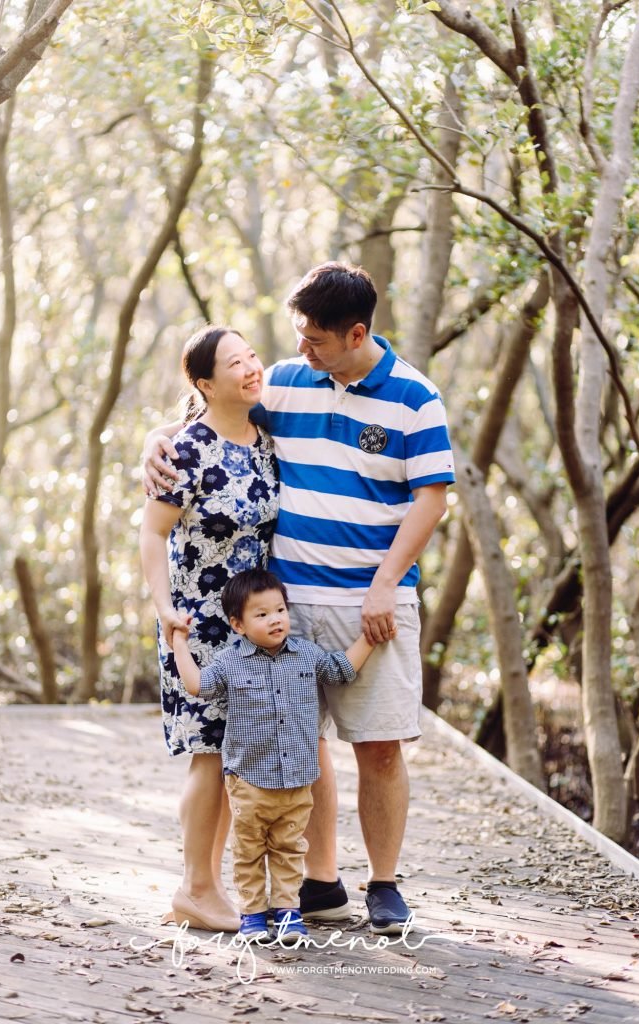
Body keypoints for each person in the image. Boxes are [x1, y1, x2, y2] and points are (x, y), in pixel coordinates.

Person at [144, 263, 455, 935]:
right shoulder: (288, 382)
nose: (298, 351)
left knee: (378, 746)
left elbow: (431, 497)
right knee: (296, 744)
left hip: (373, 599)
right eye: (296, 336)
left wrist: (384, 582)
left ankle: (383, 883)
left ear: (356, 333)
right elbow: (210, 416)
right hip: (284, 604)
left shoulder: (414, 397)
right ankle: (318, 882)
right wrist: (156, 439)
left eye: (313, 339)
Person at [139, 324, 279, 933]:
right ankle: (195, 887)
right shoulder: (187, 451)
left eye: (251, 355)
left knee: (232, 760)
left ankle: (208, 887)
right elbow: (153, 531)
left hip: (251, 628)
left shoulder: (264, 437)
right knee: (209, 755)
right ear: (204, 383)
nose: (251, 368)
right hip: (196, 624)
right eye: (234, 363)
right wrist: (165, 610)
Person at [171, 568, 380, 944]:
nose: (275, 619)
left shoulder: (306, 654)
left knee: (288, 850)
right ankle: (252, 913)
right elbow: (197, 686)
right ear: (238, 624)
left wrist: (369, 636)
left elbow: (342, 670)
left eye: (280, 610)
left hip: (298, 781)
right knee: (249, 852)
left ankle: (287, 913)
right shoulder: (230, 662)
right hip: (249, 782)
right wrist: (180, 645)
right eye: (262, 614)